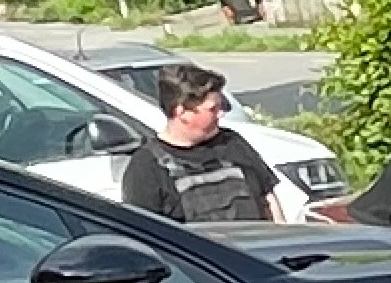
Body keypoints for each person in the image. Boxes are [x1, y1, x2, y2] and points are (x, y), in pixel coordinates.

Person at [116, 63, 284, 225]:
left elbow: (268, 200)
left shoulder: (233, 144)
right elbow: (145, 233)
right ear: (181, 112)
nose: (221, 114)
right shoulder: (146, 166)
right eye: (212, 109)